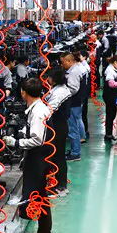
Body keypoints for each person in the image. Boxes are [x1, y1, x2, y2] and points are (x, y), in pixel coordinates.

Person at [4, 78, 54, 233]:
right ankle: (44, 232)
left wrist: (16, 142)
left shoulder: (38, 112)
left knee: (37, 195)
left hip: (38, 157)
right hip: (39, 156)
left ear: (24, 93)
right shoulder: (37, 108)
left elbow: (37, 140)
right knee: (40, 195)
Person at [43, 67, 71, 196]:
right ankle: (58, 183)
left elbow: (50, 110)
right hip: (59, 126)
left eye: (49, 77)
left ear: (54, 79)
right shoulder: (59, 89)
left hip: (58, 128)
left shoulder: (59, 92)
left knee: (58, 156)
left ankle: (61, 186)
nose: (47, 79)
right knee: (57, 156)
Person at [60, 51, 87, 162]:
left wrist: (61, 93)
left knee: (72, 128)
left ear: (69, 61)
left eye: (63, 62)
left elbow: (73, 89)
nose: (62, 65)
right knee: (73, 127)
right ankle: (74, 150)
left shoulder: (74, 72)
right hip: (75, 102)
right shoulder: (74, 69)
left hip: (73, 103)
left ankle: (75, 153)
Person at [103, 55, 117, 141]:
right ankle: (108, 134)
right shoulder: (109, 70)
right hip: (109, 96)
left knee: (112, 114)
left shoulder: (115, 69)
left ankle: (109, 133)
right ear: (115, 62)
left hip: (114, 95)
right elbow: (111, 84)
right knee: (110, 115)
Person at [76, 50, 92, 141]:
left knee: (81, 114)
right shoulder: (84, 66)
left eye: (80, 56)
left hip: (83, 93)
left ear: (84, 57)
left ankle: (83, 133)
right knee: (82, 114)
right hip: (84, 93)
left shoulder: (83, 67)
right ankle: (85, 131)